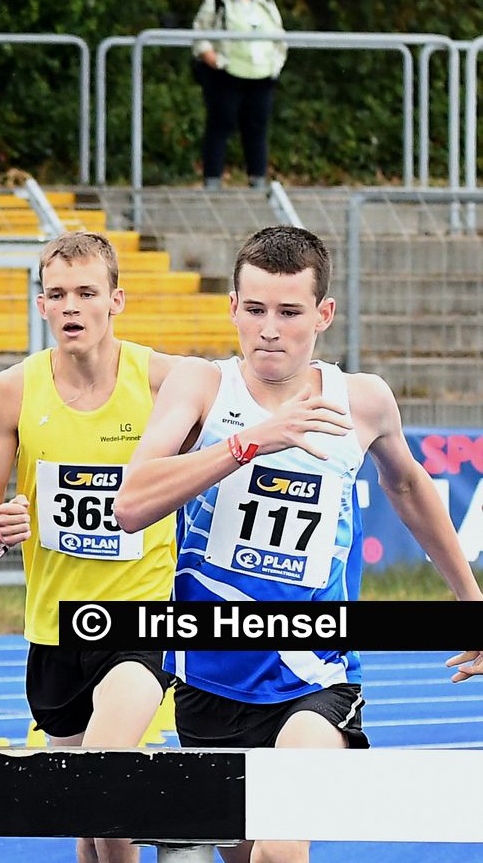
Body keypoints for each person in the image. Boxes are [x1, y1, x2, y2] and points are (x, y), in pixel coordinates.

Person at [115, 226, 483, 863]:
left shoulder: (361, 401)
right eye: (255, 310)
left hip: (316, 678)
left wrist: (470, 602)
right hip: (211, 680)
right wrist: (250, 443)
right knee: (246, 853)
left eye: (289, 312)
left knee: (280, 848)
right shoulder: (201, 387)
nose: (269, 330)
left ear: (323, 314)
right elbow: (130, 505)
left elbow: (408, 487)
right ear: (233, 307)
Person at [0, 232, 179, 863]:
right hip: (55, 628)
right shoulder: (13, 389)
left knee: (103, 778)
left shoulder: (162, 381)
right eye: (57, 295)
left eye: (86, 293)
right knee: (85, 819)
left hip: (141, 619)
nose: (71, 307)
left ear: (116, 300)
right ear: (41, 305)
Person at [192, 0, 286, 190]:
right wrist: (211, 58)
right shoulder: (218, 1)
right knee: (220, 125)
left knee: (257, 128)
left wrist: (275, 65)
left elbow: (280, 38)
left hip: (261, 75)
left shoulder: (266, 3)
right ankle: (213, 180)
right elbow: (199, 33)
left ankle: (258, 179)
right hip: (227, 74)